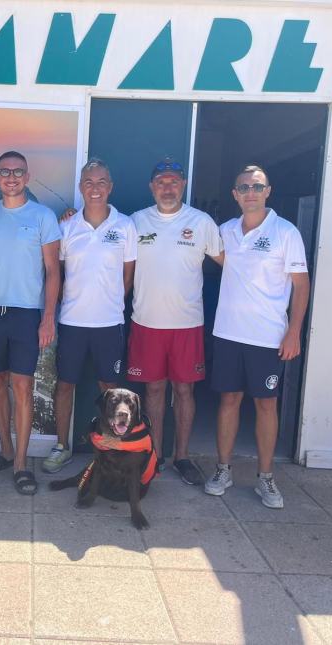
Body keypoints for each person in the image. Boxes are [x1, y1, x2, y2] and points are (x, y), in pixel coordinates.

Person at [205, 165, 310, 509]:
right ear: (235, 194)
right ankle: (223, 470)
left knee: (266, 405)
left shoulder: (285, 232)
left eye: (257, 186)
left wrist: (293, 331)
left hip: (267, 337)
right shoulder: (224, 231)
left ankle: (266, 478)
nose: (250, 191)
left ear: (268, 191)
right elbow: (187, 236)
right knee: (229, 401)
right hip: (228, 334)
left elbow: (301, 285)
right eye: (244, 187)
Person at [126, 158, 223, 484]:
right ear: (152, 187)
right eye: (161, 182)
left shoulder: (202, 222)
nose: (168, 187)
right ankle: (154, 455)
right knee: (153, 389)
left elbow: (234, 265)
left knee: (184, 390)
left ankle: (181, 456)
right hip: (146, 322)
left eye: (174, 181)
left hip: (187, 325)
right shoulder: (135, 222)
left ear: (183, 185)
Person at [0, 151, 61, 495]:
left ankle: (23, 464)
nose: (11, 177)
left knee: (22, 387)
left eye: (18, 172)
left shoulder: (43, 216)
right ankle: (6, 452)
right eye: (5, 172)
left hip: (26, 313)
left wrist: (48, 317)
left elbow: (54, 271)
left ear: (27, 177)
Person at [44, 158, 137, 473]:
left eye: (100, 182)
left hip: (109, 324)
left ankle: (111, 445)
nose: (95, 188)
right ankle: (61, 446)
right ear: (81, 187)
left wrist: (108, 304)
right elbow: (57, 274)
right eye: (88, 182)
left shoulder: (126, 226)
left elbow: (127, 277)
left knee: (109, 390)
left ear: (109, 187)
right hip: (71, 322)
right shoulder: (67, 226)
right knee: (65, 384)